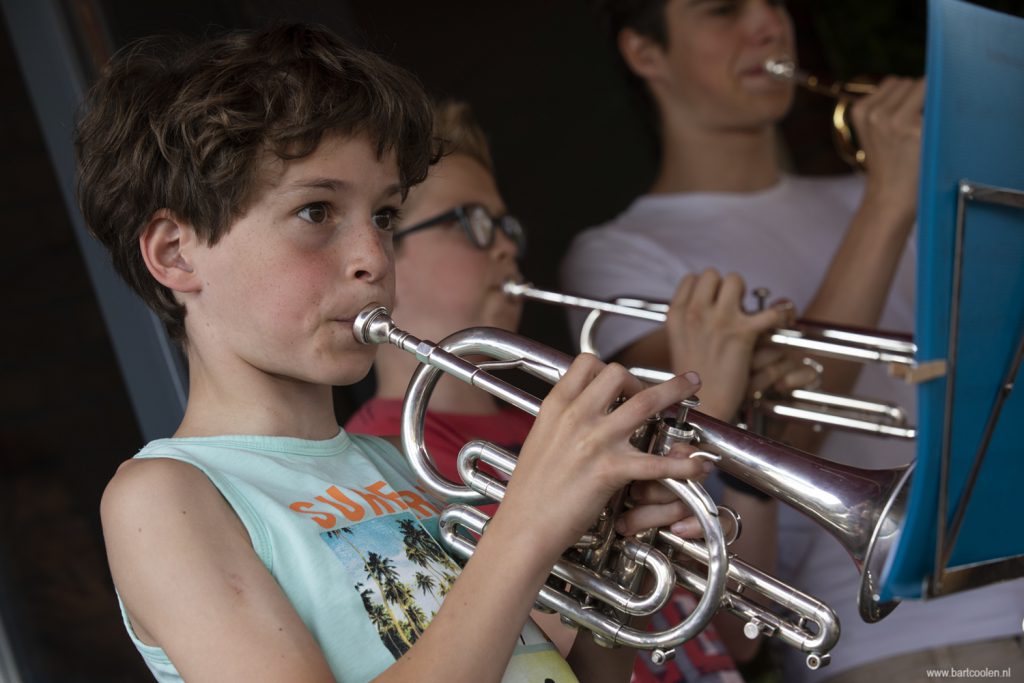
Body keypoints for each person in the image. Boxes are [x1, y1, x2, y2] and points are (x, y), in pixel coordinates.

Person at [77, 23, 722, 683]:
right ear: (175, 253)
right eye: (317, 211)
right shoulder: (164, 497)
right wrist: (528, 524)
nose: (372, 258)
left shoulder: (396, 463)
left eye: (383, 217)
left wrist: (596, 555)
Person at [561, 1, 1024, 682]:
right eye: (724, 10)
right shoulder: (618, 255)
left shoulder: (872, 189)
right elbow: (757, 446)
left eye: (773, 3)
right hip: (906, 639)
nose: (767, 25)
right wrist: (892, 199)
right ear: (645, 52)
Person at [347, 99, 806, 683]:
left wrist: (742, 432)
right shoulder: (390, 457)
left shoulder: (567, 419)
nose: (506, 247)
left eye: (506, 225)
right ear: (386, 254)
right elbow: (541, 644)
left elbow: (740, 637)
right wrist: (700, 405)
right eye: (472, 223)